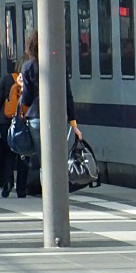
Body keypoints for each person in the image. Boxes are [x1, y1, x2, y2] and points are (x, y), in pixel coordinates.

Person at [18, 30, 82, 195]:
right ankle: (58, 192)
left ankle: (48, 194)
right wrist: (73, 124)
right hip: (59, 118)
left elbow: (26, 99)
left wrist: (21, 86)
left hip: (36, 118)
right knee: (58, 159)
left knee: (43, 160)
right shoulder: (60, 64)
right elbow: (68, 94)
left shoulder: (28, 67)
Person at [0, 59, 24, 198]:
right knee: (23, 154)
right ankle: (21, 188)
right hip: (23, 121)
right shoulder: (32, 78)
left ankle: (8, 182)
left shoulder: (8, 79)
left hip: (5, 121)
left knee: (8, 153)